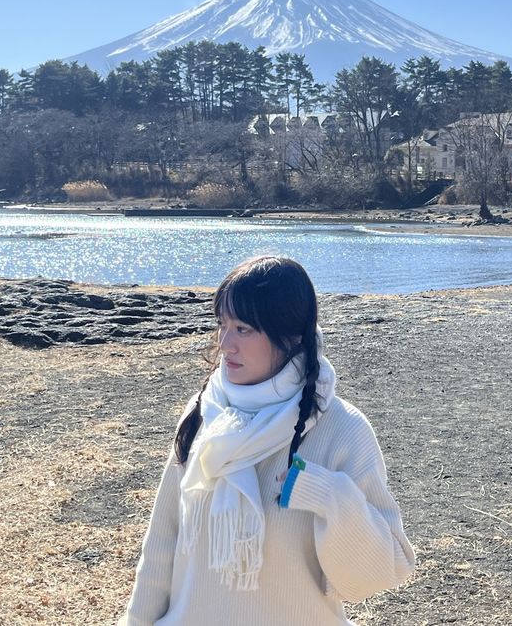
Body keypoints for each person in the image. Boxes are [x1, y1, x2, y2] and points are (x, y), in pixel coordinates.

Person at [119, 255, 415, 626]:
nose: (226, 344)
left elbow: (380, 570)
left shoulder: (343, 429)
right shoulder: (204, 411)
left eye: (244, 329)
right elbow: (163, 541)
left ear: (290, 336)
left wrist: (328, 496)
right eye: (222, 325)